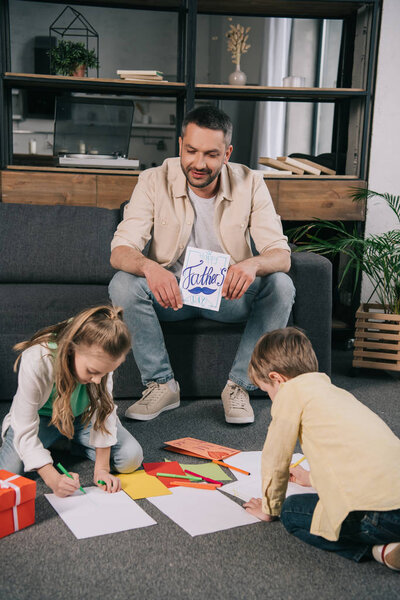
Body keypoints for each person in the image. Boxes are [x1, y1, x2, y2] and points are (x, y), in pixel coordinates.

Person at [109, 105, 295, 424]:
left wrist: (251, 265)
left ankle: (239, 387)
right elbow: (120, 250)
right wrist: (151, 269)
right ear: (180, 145)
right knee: (122, 284)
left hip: (228, 296)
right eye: (191, 151)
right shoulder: (153, 180)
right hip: (171, 297)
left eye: (211, 154)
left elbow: (281, 254)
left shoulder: (251, 183)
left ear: (227, 153)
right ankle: (162, 385)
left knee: (281, 284)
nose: (199, 163)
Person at [243, 327, 400, 571]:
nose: (272, 398)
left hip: (378, 515)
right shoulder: (336, 393)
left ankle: (378, 550)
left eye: (268, 392)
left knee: (292, 512)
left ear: (277, 379)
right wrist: (314, 478)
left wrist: (268, 507)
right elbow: (358, 455)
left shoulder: (289, 395)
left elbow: (276, 457)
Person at [0, 305, 143, 497]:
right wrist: (52, 478)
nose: (98, 380)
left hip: (82, 418)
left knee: (130, 457)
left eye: (105, 373)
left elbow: (104, 411)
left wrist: (102, 469)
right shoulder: (37, 359)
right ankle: (59, 442)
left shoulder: (103, 357)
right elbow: (24, 425)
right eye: (92, 372)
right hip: (42, 421)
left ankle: (62, 444)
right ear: (70, 350)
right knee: (7, 476)